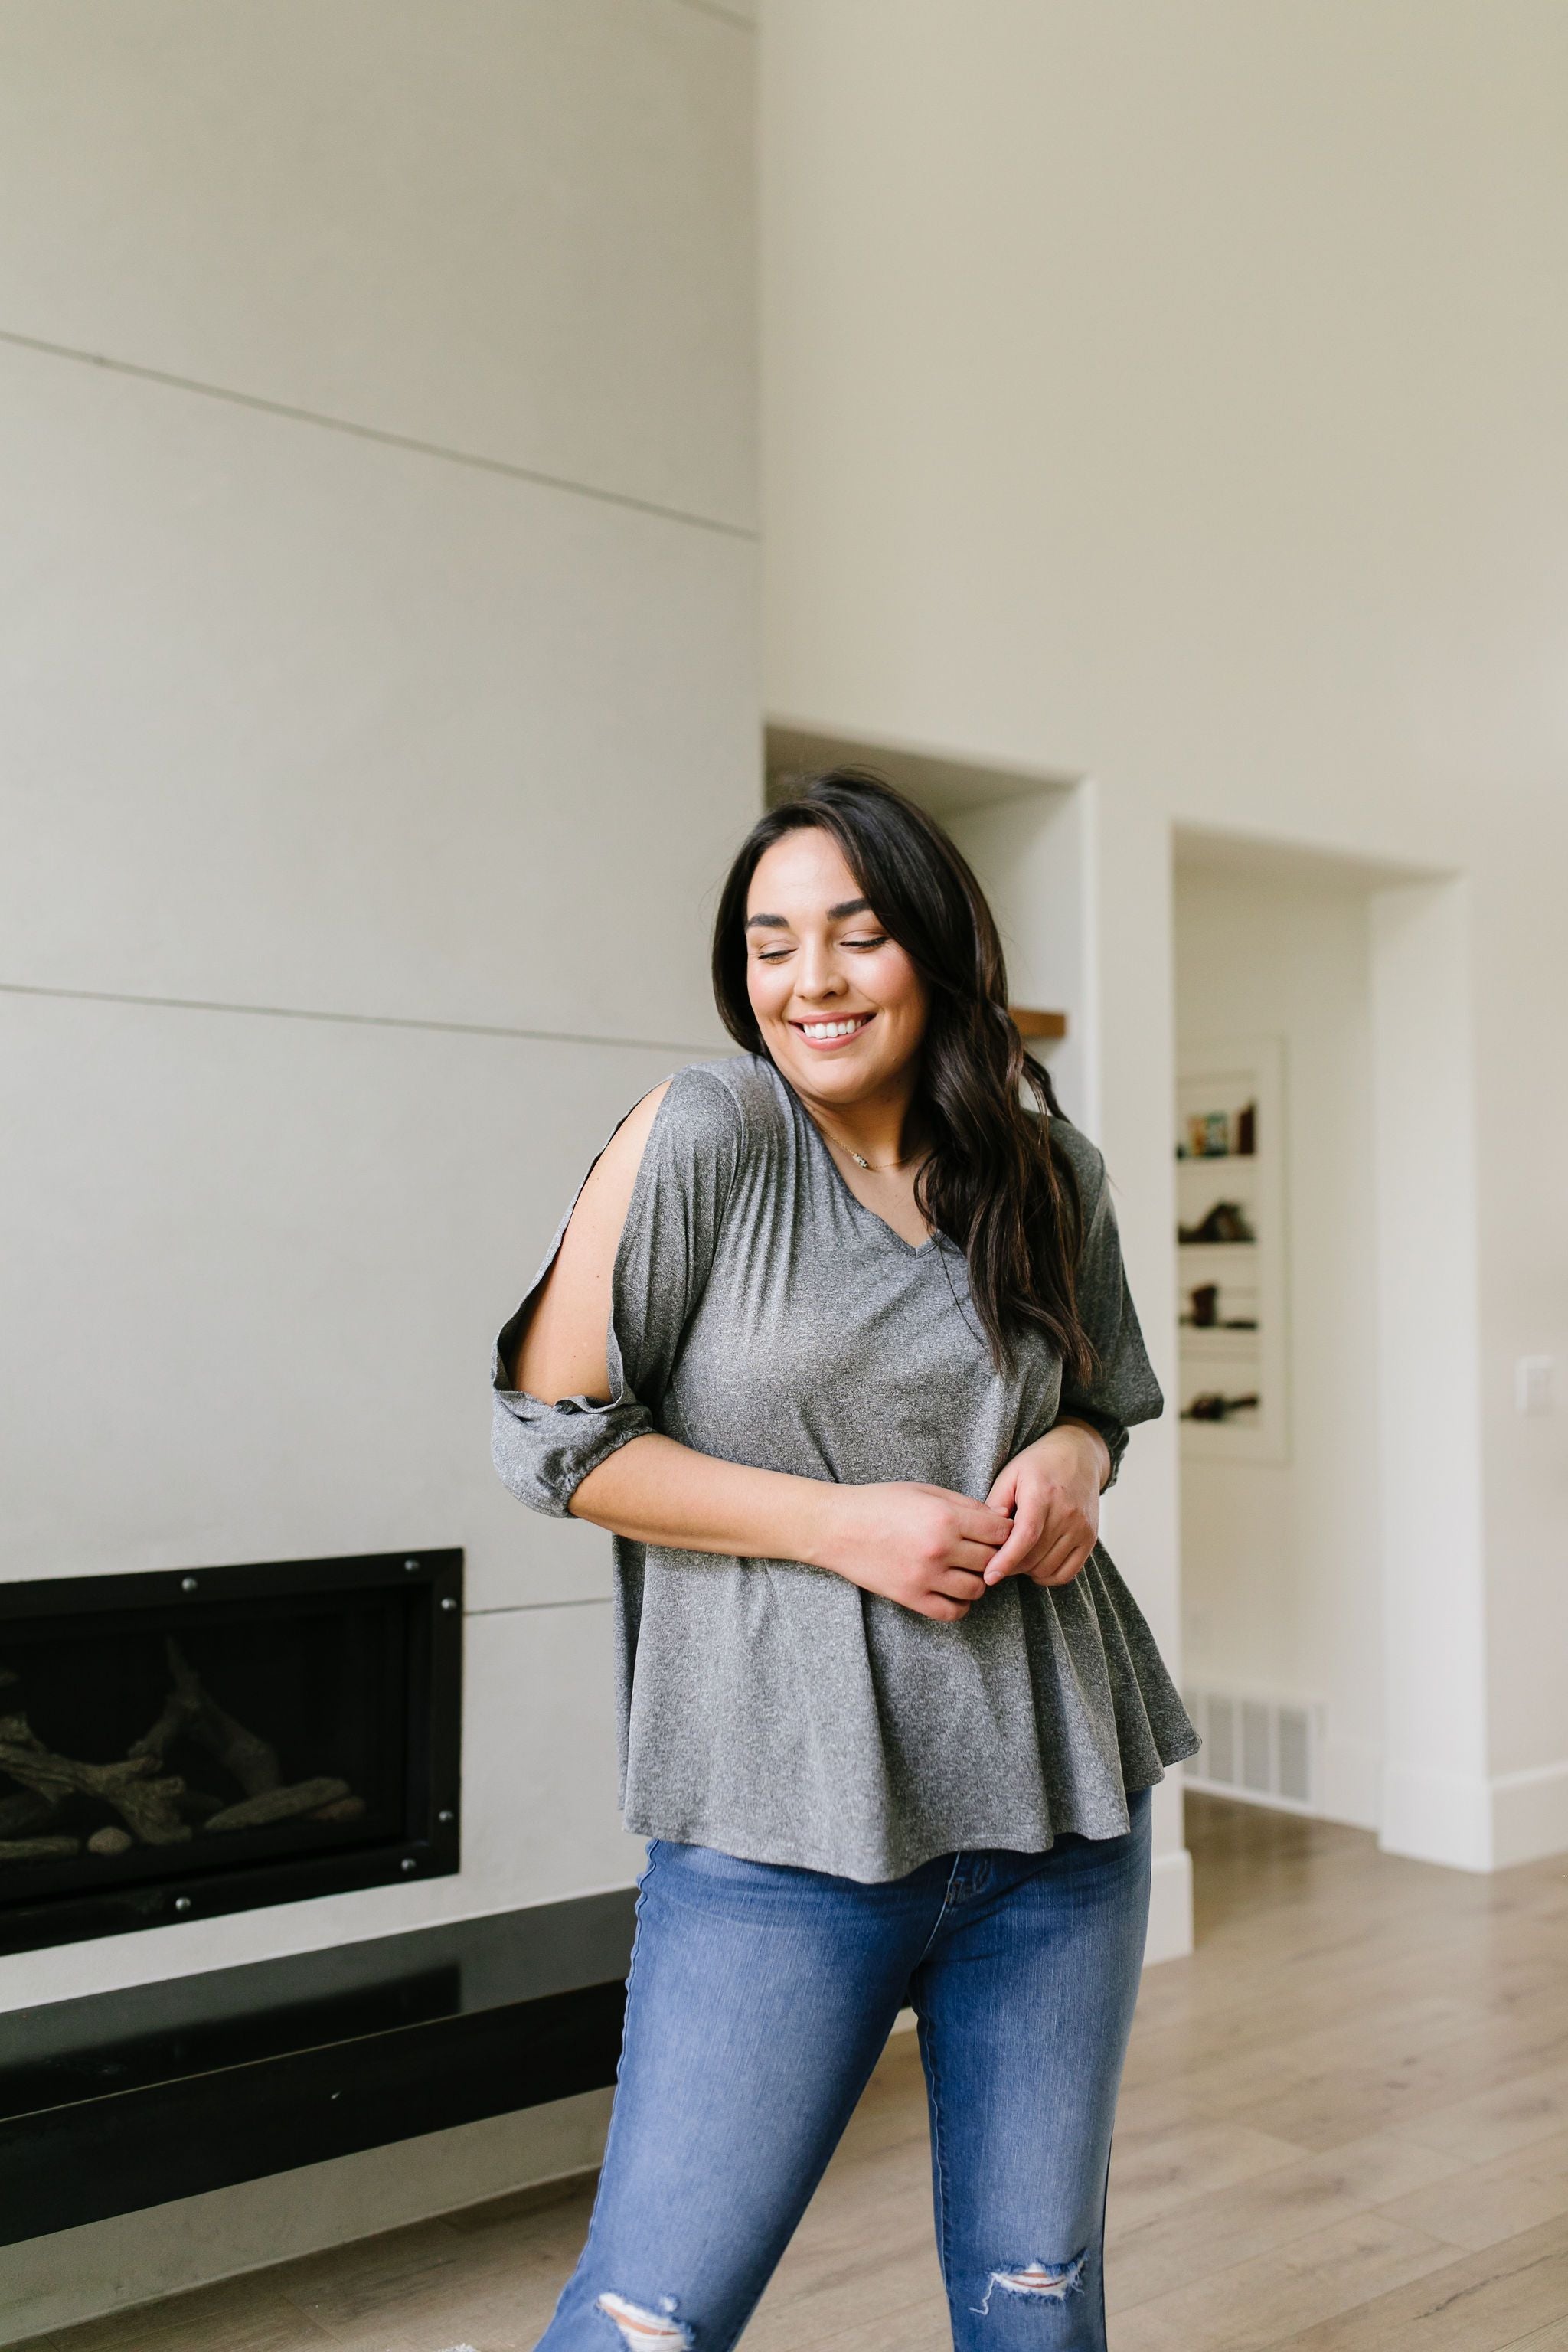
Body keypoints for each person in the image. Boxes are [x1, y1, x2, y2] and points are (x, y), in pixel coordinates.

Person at [491, 769, 1199, 2352]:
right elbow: (556, 1443)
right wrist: (839, 1521)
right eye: (768, 942)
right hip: (775, 1823)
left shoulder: (1042, 1168)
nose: (807, 979)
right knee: (647, 2318)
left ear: (934, 950)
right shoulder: (708, 1133)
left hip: (1058, 1801)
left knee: (1039, 2294)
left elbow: (1103, 1405)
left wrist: (1071, 1464)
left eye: (855, 934)